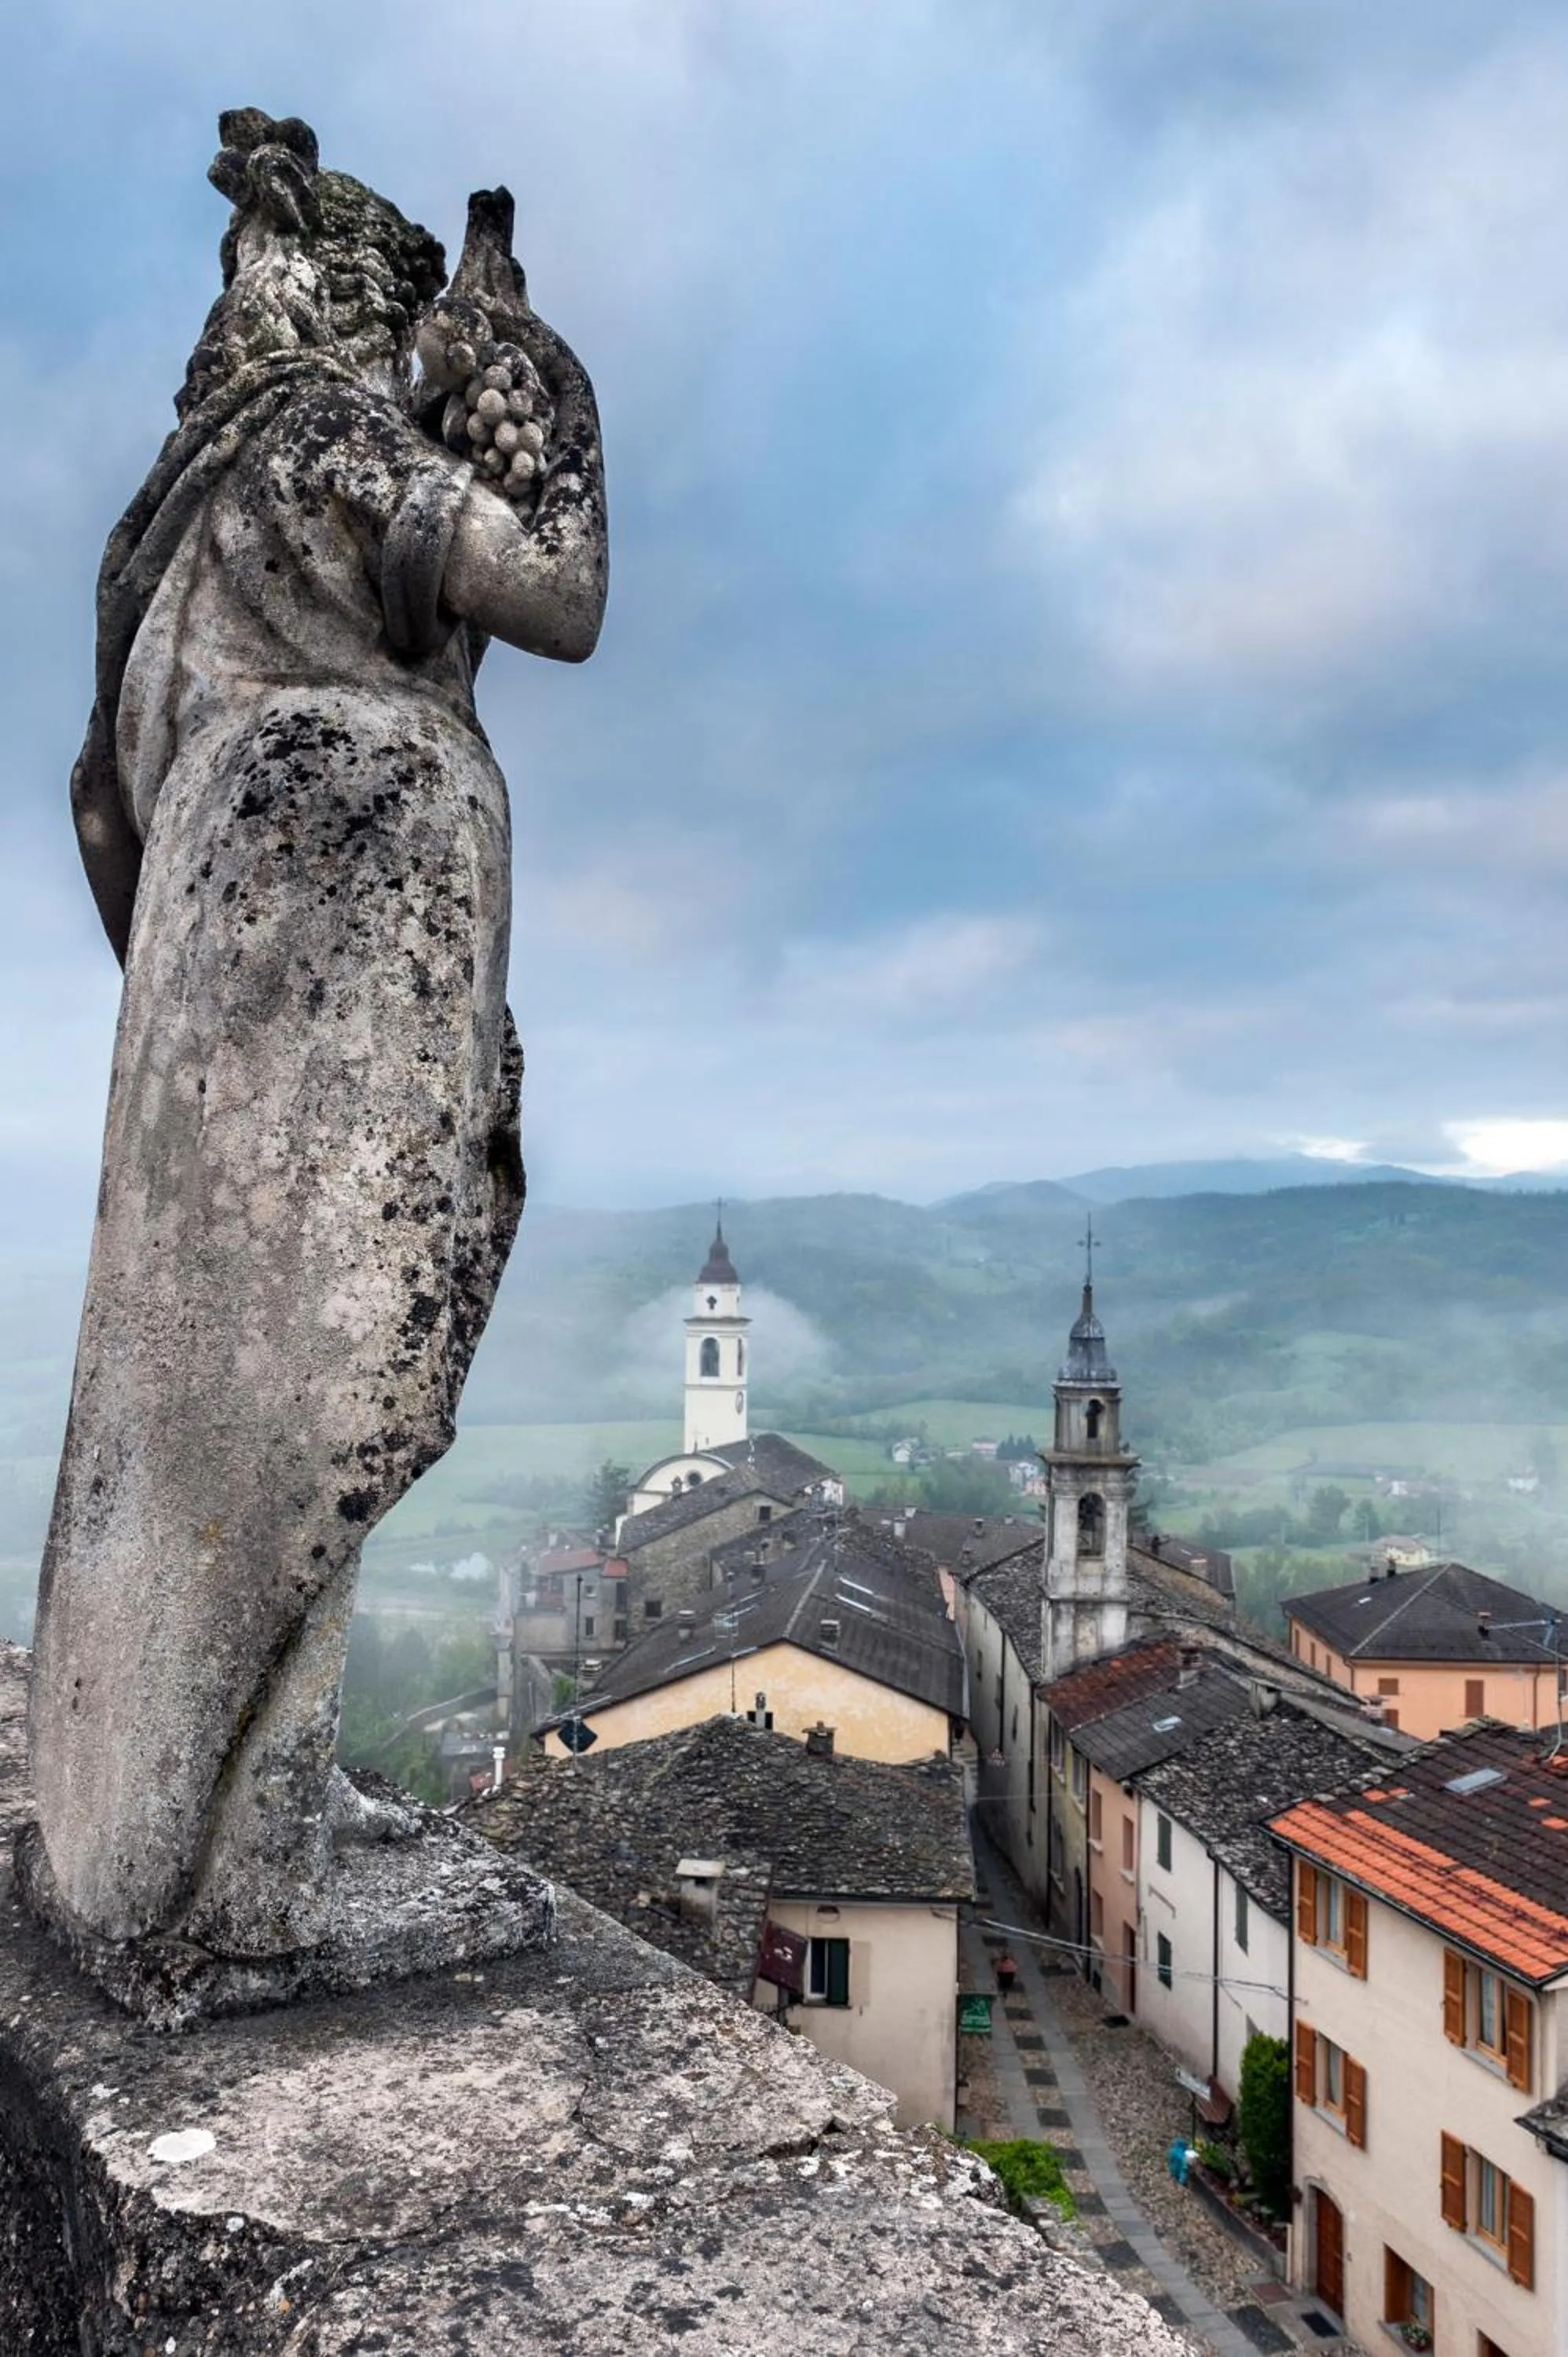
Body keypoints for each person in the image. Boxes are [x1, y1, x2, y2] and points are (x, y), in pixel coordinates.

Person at [30, 112, 606, 1958]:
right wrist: (526, 369)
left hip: (215, 966)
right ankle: (251, 1887)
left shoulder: (167, 546)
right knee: (335, 1383)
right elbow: (557, 590)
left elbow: (103, 823)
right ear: (367, 313)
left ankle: (223, 1821)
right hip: (353, 919)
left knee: (222, 1404)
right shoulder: (325, 441)